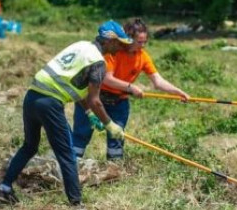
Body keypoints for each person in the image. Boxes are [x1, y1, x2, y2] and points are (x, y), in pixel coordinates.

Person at [0, 20, 132, 208]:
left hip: (32, 96)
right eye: (119, 43)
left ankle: (4, 187)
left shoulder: (81, 46)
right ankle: (76, 205)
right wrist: (110, 124)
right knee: (67, 154)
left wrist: (89, 113)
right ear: (109, 40)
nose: (121, 48)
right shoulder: (98, 63)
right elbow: (95, 100)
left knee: (29, 146)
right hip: (50, 104)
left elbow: (71, 85)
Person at [73, 18, 190, 161]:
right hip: (95, 98)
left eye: (145, 42)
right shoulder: (113, 51)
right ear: (128, 38)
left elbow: (158, 81)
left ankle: (113, 170)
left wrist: (178, 92)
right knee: (81, 133)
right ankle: (71, 165)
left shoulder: (143, 56)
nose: (143, 45)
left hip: (119, 102)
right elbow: (106, 78)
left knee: (116, 137)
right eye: (139, 42)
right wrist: (131, 87)